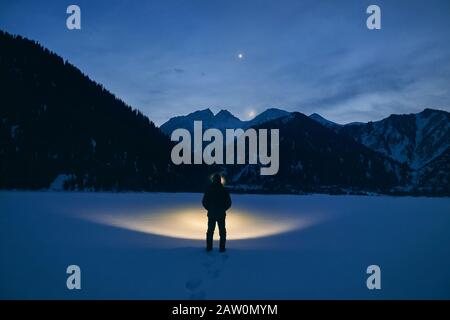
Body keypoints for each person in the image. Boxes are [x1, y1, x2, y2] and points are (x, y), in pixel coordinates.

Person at [202, 174, 231, 252]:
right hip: (221, 214)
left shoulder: (209, 190)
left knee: (210, 231)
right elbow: (229, 203)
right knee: (222, 232)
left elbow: (204, 202)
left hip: (212, 214)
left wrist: (209, 209)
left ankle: (209, 248)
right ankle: (222, 249)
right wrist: (223, 209)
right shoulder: (224, 190)